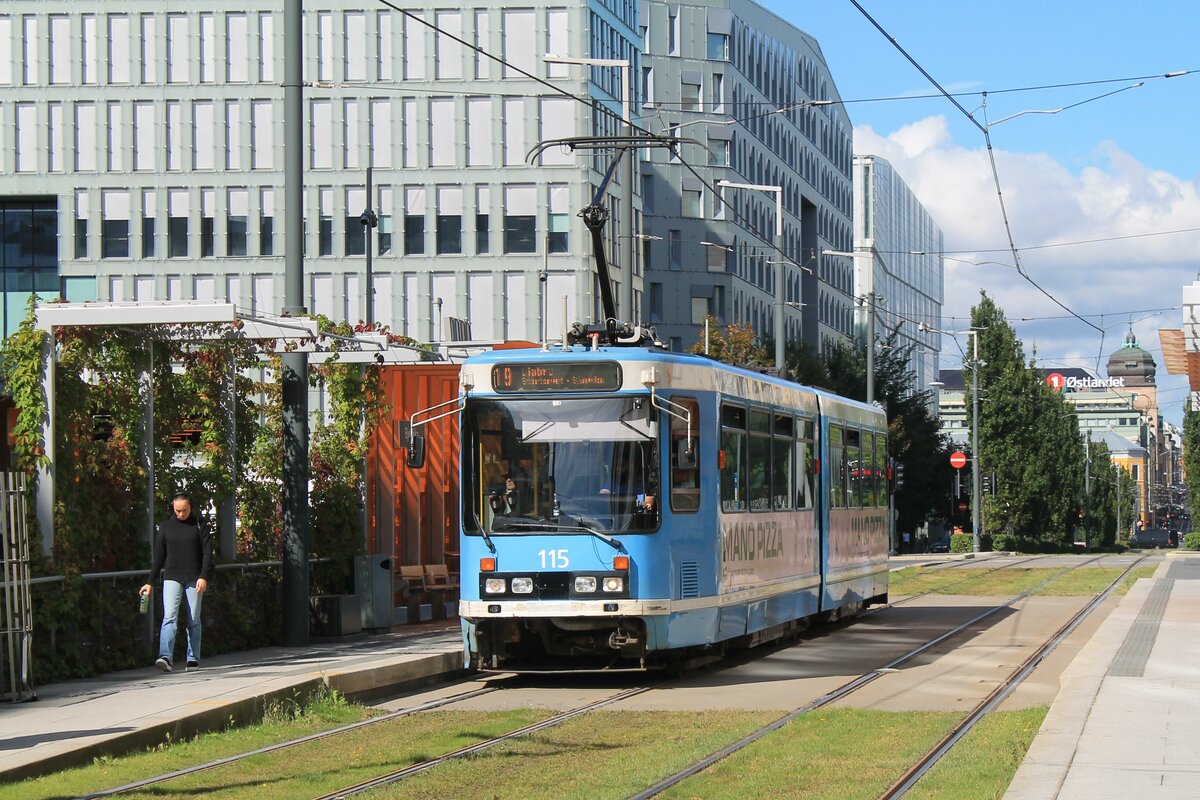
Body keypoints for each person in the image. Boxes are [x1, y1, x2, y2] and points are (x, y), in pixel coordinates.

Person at [139, 491, 213, 673]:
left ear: (191, 507)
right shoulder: (165, 527)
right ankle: (165, 657)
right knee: (169, 617)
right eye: (177, 510)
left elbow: (207, 553)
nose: (181, 514)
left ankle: (193, 658)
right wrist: (150, 582)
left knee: (193, 619)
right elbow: (158, 557)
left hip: (194, 577)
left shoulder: (199, 525)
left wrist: (203, 576)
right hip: (172, 576)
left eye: (184, 510)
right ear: (172, 507)